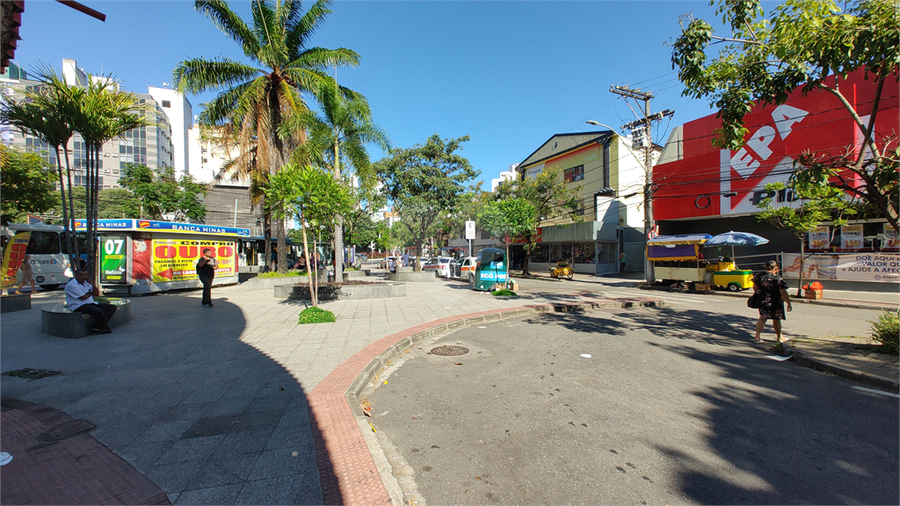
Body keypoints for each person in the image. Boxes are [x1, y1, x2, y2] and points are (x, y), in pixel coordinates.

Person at [752, 260, 793, 343]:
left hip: (763, 300)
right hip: (775, 301)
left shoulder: (759, 276)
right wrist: (788, 302)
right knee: (776, 319)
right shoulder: (777, 278)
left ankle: (757, 337)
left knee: (762, 317)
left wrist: (758, 294)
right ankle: (779, 337)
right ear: (776, 268)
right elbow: (783, 292)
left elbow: (754, 286)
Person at [65, 268, 116, 333]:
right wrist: (90, 292)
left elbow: (96, 294)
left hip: (90, 302)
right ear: (76, 275)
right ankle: (103, 326)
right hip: (77, 305)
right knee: (98, 311)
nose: (84, 277)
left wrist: (92, 285)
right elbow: (83, 297)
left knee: (111, 307)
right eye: (81, 275)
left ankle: (99, 325)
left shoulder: (86, 283)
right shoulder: (72, 285)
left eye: (85, 275)